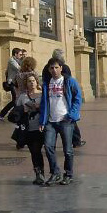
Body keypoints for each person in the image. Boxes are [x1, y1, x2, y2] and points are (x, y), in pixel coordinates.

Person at [39, 56, 83, 186]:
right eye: (52, 68)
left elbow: (78, 98)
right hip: (51, 121)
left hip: (65, 120)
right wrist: (42, 121)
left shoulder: (69, 81)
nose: (54, 70)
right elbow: (44, 103)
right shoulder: (47, 83)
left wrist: (72, 115)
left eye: (56, 67)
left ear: (61, 68)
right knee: (48, 146)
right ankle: (55, 173)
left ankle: (68, 174)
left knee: (68, 150)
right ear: (48, 69)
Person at [41, 50, 85, 148]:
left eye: (56, 68)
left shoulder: (47, 67)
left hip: (58, 99)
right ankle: (76, 141)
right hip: (60, 98)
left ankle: (57, 143)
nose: (54, 70)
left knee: (68, 122)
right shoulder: (64, 67)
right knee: (71, 123)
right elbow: (69, 82)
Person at [16, 74, 45, 185]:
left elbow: (47, 108)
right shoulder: (23, 97)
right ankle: (38, 173)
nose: (32, 83)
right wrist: (22, 109)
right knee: (33, 151)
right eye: (29, 81)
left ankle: (43, 173)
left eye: (33, 80)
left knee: (38, 150)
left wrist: (39, 107)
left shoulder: (42, 95)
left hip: (40, 127)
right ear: (26, 84)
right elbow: (16, 112)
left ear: (37, 82)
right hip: (28, 128)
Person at [0, 48, 23, 120]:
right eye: (20, 54)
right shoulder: (12, 61)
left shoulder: (18, 61)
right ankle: (9, 115)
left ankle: (4, 114)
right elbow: (19, 69)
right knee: (15, 100)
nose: (21, 56)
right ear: (15, 54)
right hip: (12, 83)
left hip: (16, 83)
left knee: (16, 100)